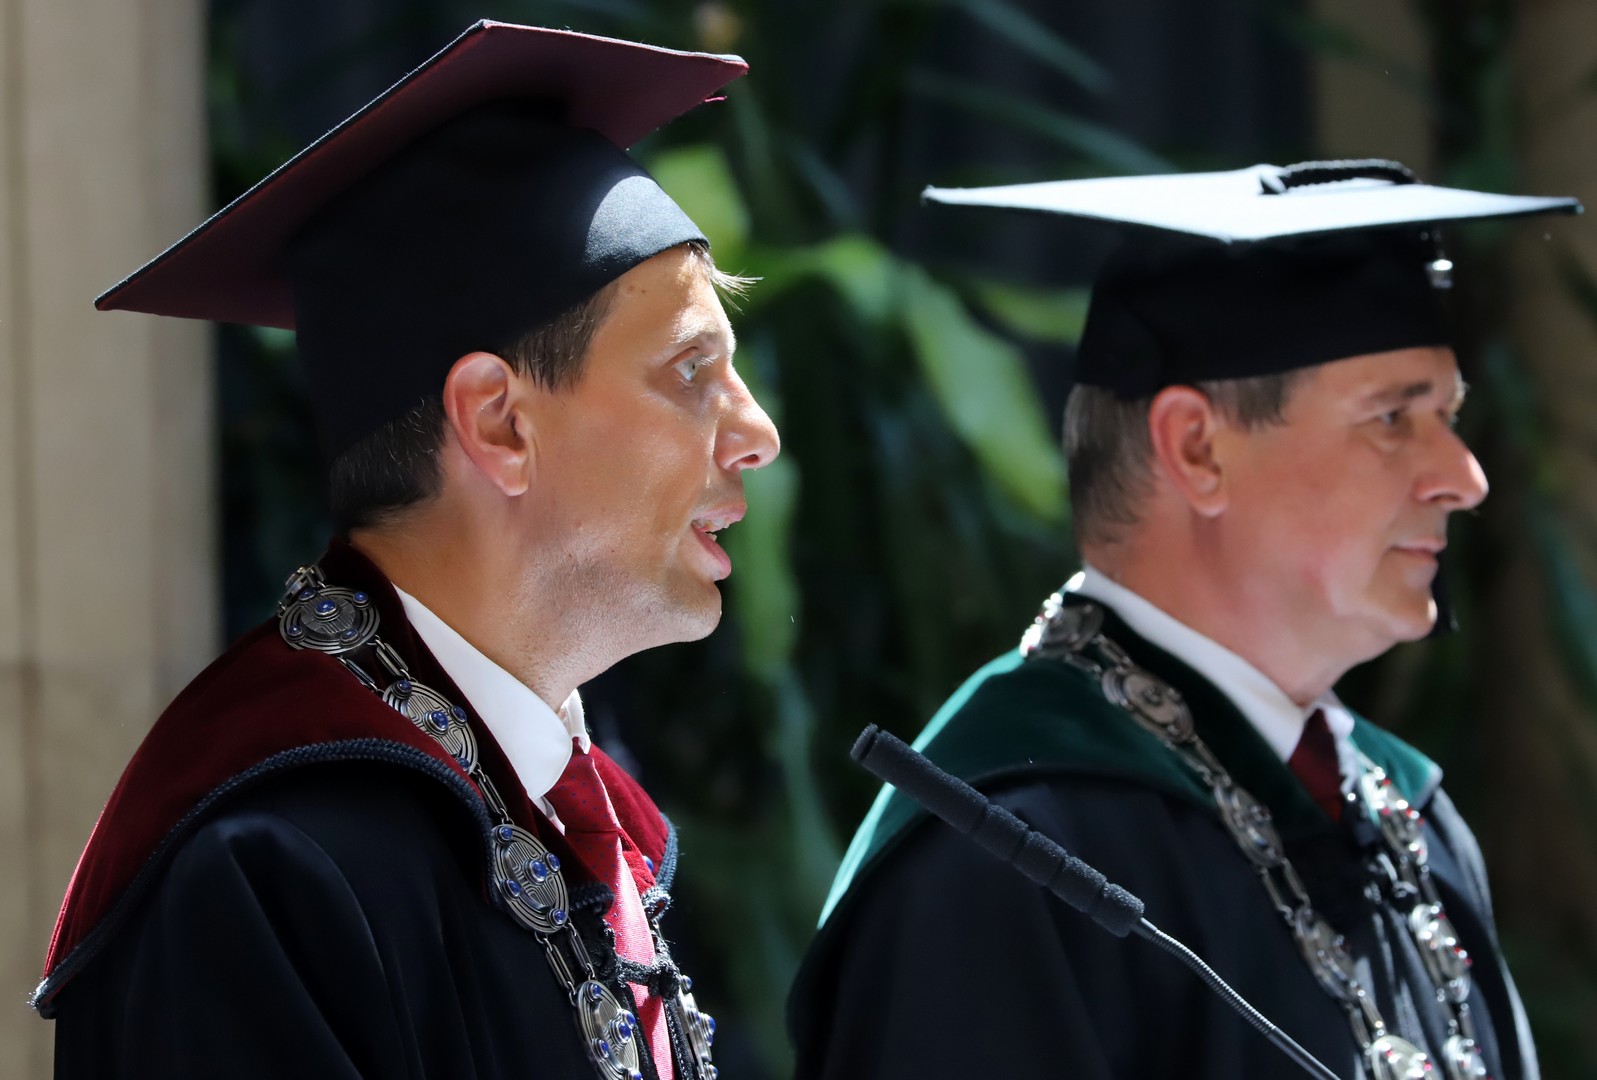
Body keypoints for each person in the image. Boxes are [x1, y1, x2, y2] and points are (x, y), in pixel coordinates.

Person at [34, 21, 778, 1080]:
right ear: (500, 423)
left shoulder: (578, 817)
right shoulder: (272, 871)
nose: (757, 433)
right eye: (691, 371)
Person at [789, 161, 1575, 1080]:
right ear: (1197, 449)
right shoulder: (1007, 849)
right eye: (1393, 417)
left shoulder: (1408, 817)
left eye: (1448, 414)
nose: (1464, 478)